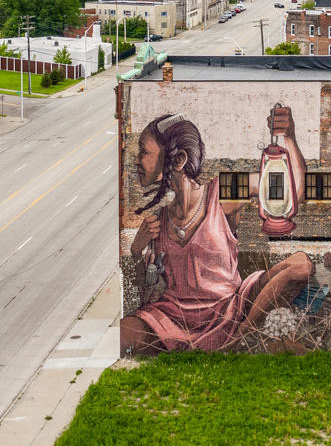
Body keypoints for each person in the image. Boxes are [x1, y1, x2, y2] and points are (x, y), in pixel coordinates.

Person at [121, 108, 313, 354]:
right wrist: (137, 250)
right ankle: (225, 347)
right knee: (123, 333)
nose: (136, 160)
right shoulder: (158, 220)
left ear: (179, 160)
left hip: (230, 310)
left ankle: (240, 341)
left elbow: (292, 191)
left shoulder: (221, 192)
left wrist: (289, 137)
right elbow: (147, 293)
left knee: (300, 266)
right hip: (172, 319)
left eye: (143, 152)